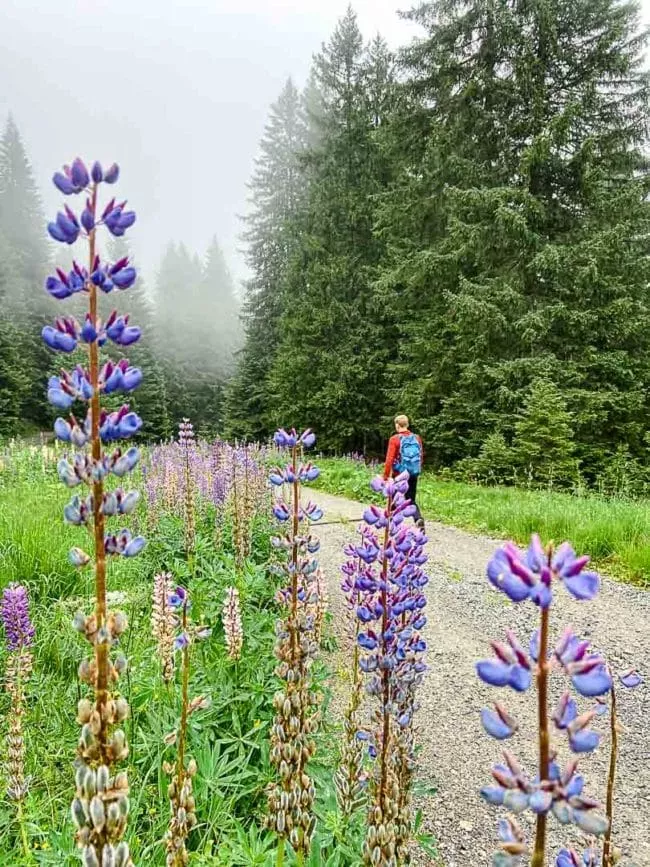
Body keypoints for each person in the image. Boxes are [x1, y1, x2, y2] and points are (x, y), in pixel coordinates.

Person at [383, 414, 424, 529]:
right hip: (413, 473)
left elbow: (389, 459)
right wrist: (416, 470)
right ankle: (418, 519)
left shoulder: (395, 439)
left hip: (399, 475)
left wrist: (385, 477)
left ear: (397, 425)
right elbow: (420, 456)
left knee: (394, 499)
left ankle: (390, 524)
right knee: (411, 499)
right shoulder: (416, 438)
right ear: (407, 424)